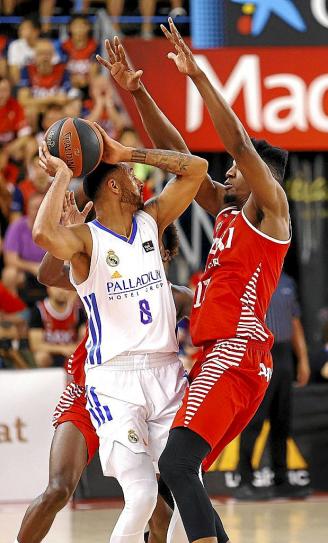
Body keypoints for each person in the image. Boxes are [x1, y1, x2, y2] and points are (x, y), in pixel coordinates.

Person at [32, 120, 207, 542]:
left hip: (166, 372)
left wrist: (124, 153)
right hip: (115, 380)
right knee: (144, 495)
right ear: (111, 188)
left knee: (188, 485)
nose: (138, 180)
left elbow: (196, 169)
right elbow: (42, 234)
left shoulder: (152, 221)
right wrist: (62, 176)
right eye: (129, 176)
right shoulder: (86, 241)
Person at [154, 20, 290, 543]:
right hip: (222, 355)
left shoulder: (268, 209)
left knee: (178, 463)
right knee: (177, 472)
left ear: (260, 176)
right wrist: (139, 90)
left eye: (235, 168)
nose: (226, 171)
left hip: (235, 351)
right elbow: (182, 159)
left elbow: (234, 140)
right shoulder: (229, 215)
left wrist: (198, 76)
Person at [235, 271, 310, 500]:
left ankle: (282, 479)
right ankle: (245, 480)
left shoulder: (288, 281)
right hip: (258, 352)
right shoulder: (250, 279)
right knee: (254, 420)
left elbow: (295, 321)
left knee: (282, 420)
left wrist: (303, 360)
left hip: (285, 353)